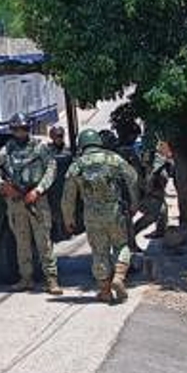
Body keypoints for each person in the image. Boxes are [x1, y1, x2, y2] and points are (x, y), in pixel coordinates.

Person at [62, 129, 141, 303]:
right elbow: (133, 178)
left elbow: (68, 196)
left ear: (82, 145)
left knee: (99, 252)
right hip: (114, 211)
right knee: (121, 245)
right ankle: (119, 277)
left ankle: (105, 291)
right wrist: (135, 203)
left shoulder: (77, 165)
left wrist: (68, 219)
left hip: (91, 215)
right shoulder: (113, 159)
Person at [0, 112, 62, 295]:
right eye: (16, 129)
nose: (20, 132)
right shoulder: (7, 150)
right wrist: (3, 186)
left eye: (23, 128)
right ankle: (26, 278)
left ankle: (51, 280)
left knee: (44, 242)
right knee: (21, 242)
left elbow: (51, 169)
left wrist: (38, 190)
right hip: (16, 201)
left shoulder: (40, 147)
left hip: (36, 200)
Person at [130, 140, 174, 252]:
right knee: (154, 214)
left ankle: (160, 232)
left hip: (151, 192)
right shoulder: (153, 161)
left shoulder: (161, 161)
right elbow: (147, 181)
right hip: (141, 193)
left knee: (162, 210)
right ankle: (131, 236)